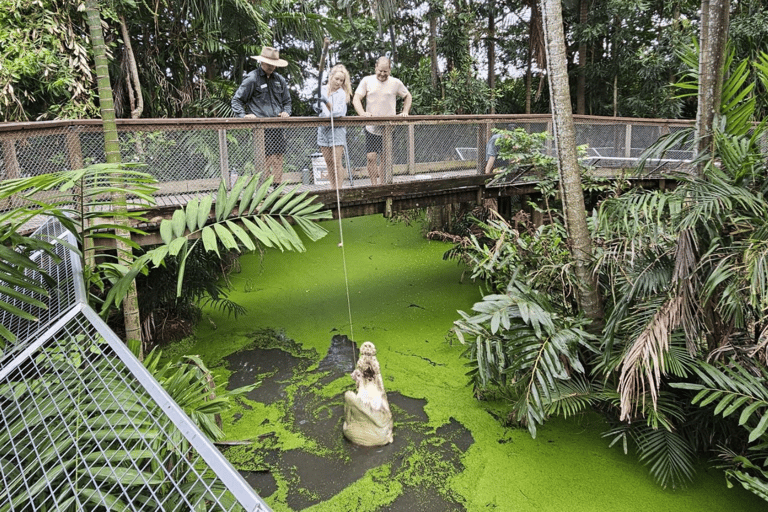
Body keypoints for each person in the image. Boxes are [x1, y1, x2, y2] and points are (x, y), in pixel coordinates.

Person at [232, 46, 292, 184]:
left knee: (278, 158)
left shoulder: (280, 80)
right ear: (262, 62)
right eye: (269, 63)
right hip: (260, 128)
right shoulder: (252, 78)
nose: (271, 66)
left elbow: (287, 102)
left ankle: (277, 191)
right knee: (265, 159)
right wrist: (243, 116)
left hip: (277, 126)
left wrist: (286, 112)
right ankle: (263, 192)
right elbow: (237, 100)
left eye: (274, 64)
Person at [352, 56, 412, 185]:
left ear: (390, 70)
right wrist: (362, 113)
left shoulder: (396, 83)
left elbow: (407, 96)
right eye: (380, 70)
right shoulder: (367, 81)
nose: (382, 74)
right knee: (371, 157)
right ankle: (374, 185)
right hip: (371, 127)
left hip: (388, 127)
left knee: (385, 158)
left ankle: (383, 184)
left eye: (385, 71)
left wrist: (405, 111)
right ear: (375, 68)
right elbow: (356, 98)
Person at [316, 64, 352, 189]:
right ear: (331, 77)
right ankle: (332, 188)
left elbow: (337, 112)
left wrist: (325, 103)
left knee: (337, 162)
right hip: (323, 129)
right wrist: (320, 106)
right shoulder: (322, 89)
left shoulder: (342, 94)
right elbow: (319, 108)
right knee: (329, 162)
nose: (338, 82)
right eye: (336, 79)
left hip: (337, 129)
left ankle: (339, 188)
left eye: (341, 80)